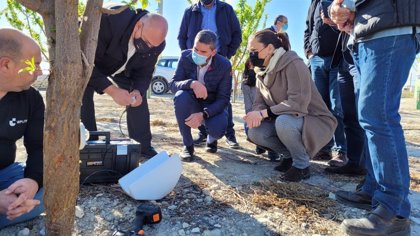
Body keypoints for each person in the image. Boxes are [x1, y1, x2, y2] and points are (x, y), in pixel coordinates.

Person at [330, 0, 420, 235]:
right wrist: (350, 15)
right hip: (368, 32)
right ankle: (374, 189)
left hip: (390, 28)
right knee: (368, 118)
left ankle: (395, 212)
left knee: (378, 115)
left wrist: (348, 3)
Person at [245, 30, 337, 182]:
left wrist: (262, 114)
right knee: (255, 132)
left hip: (312, 120)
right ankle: (289, 157)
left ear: (269, 48)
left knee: (284, 122)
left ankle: (301, 165)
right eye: (250, 52)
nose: (251, 55)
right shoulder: (261, 71)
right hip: (286, 117)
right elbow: (259, 102)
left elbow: (297, 103)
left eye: (254, 51)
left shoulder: (294, 63)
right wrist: (255, 113)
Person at [81, 7, 167, 158]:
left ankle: (142, 146)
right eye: (147, 42)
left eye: (153, 46)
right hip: (93, 64)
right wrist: (112, 90)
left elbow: (145, 72)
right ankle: (89, 144)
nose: (149, 48)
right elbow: (84, 61)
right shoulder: (108, 20)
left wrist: (138, 91)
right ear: (139, 25)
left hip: (124, 68)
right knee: (82, 94)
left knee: (137, 99)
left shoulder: (156, 43)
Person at [177, 0, 241, 149]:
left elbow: (236, 34)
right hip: (195, 60)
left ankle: (228, 134)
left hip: (219, 60)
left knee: (221, 98)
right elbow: (182, 36)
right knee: (190, 95)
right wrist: (188, 55)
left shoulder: (226, 9)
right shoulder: (190, 11)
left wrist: (226, 55)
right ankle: (203, 133)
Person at [0, 28, 45, 228]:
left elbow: (38, 147)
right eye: (34, 65)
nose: (40, 72)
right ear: (6, 64)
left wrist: (32, 182)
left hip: (6, 173)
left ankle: (14, 206)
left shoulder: (31, 98)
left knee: (48, 194)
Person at [171, 30, 232, 162]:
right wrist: (192, 83)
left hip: (212, 105)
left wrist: (203, 115)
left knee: (218, 129)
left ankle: (211, 139)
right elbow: (173, 84)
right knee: (180, 96)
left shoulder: (224, 65)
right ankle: (188, 145)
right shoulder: (185, 56)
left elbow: (224, 99)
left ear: (213, 52)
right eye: (195, 49)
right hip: (191, 101)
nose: (197, 54)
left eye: (203, 52)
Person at [304, 0, 347, 166]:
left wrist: (333, 22)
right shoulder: (315, 2)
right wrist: (308, 51)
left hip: (339, 57)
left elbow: (352, 22)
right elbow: (308, 27)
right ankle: (324, 147)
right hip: (317, 59)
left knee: (337, 106)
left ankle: (341, 150)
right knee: (320, 107)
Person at [241, 57, 279, 161]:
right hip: (256, 114)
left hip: (270, 114)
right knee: (247, 124)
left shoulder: (270, 79)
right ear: (248, 66)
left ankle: (273, 150)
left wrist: (265, 115)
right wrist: (254, 117)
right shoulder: (245, 84)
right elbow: (248, 106)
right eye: (252, 65)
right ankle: (260, 144)